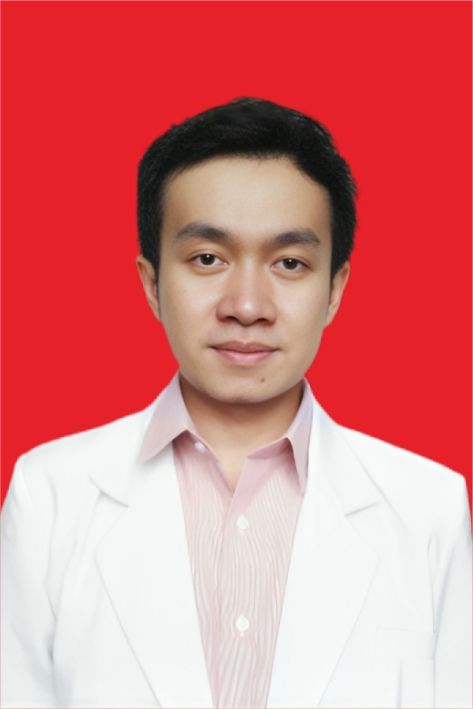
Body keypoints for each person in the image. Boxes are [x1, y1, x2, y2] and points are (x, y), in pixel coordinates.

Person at [1, 97, 471, 709]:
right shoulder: (49, 496)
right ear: (151, 283)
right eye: (207, 259)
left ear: (334, 290)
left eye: (290, 263)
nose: (246, 305)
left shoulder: (429, 508)